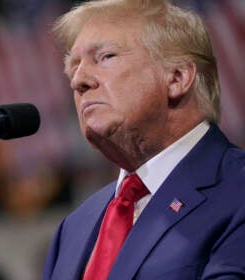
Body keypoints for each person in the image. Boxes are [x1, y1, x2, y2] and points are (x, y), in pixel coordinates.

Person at [42, 0, 245, 279]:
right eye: (74, 67)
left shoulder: (238, 191)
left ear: (177, 77)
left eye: (105, 57)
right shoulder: (73, 229)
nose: (78, 80)